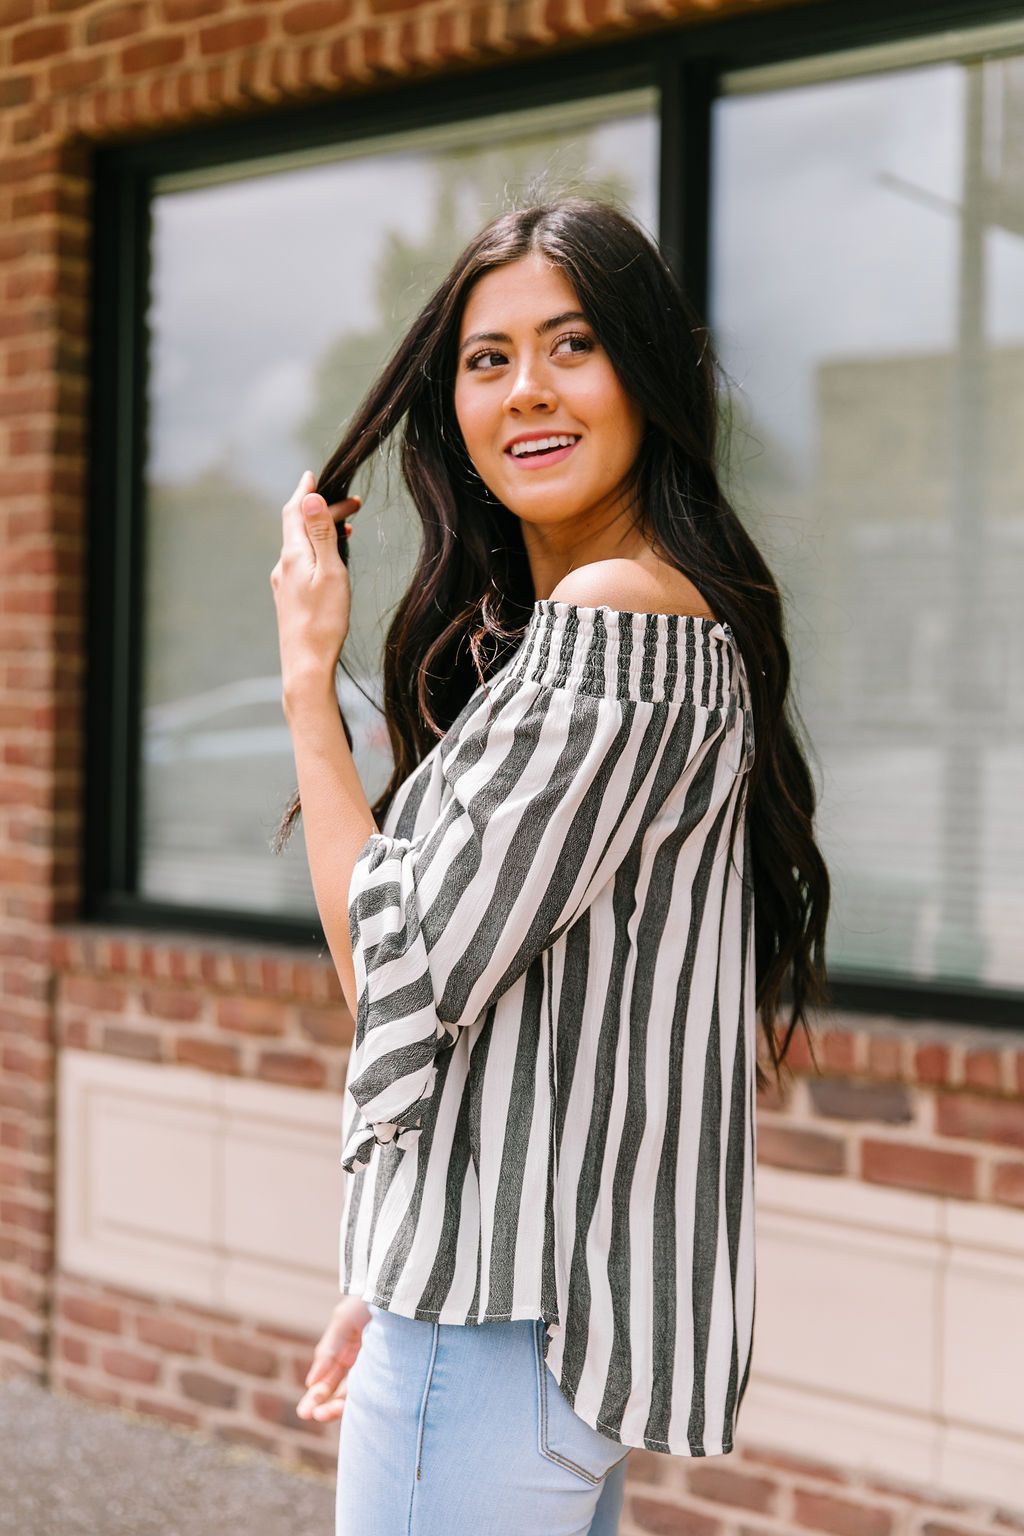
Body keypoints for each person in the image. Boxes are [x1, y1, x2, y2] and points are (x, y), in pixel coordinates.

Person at [270, 196, 831, 1536]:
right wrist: (393, 1266)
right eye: (486, 358)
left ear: (648, 375)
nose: (527, 389)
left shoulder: (615, 624)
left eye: (571, 345)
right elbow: (552, 1023)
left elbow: (384, 967)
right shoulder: (656, 626)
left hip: (490, 1341)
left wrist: (305, 677)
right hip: (527, 1339)